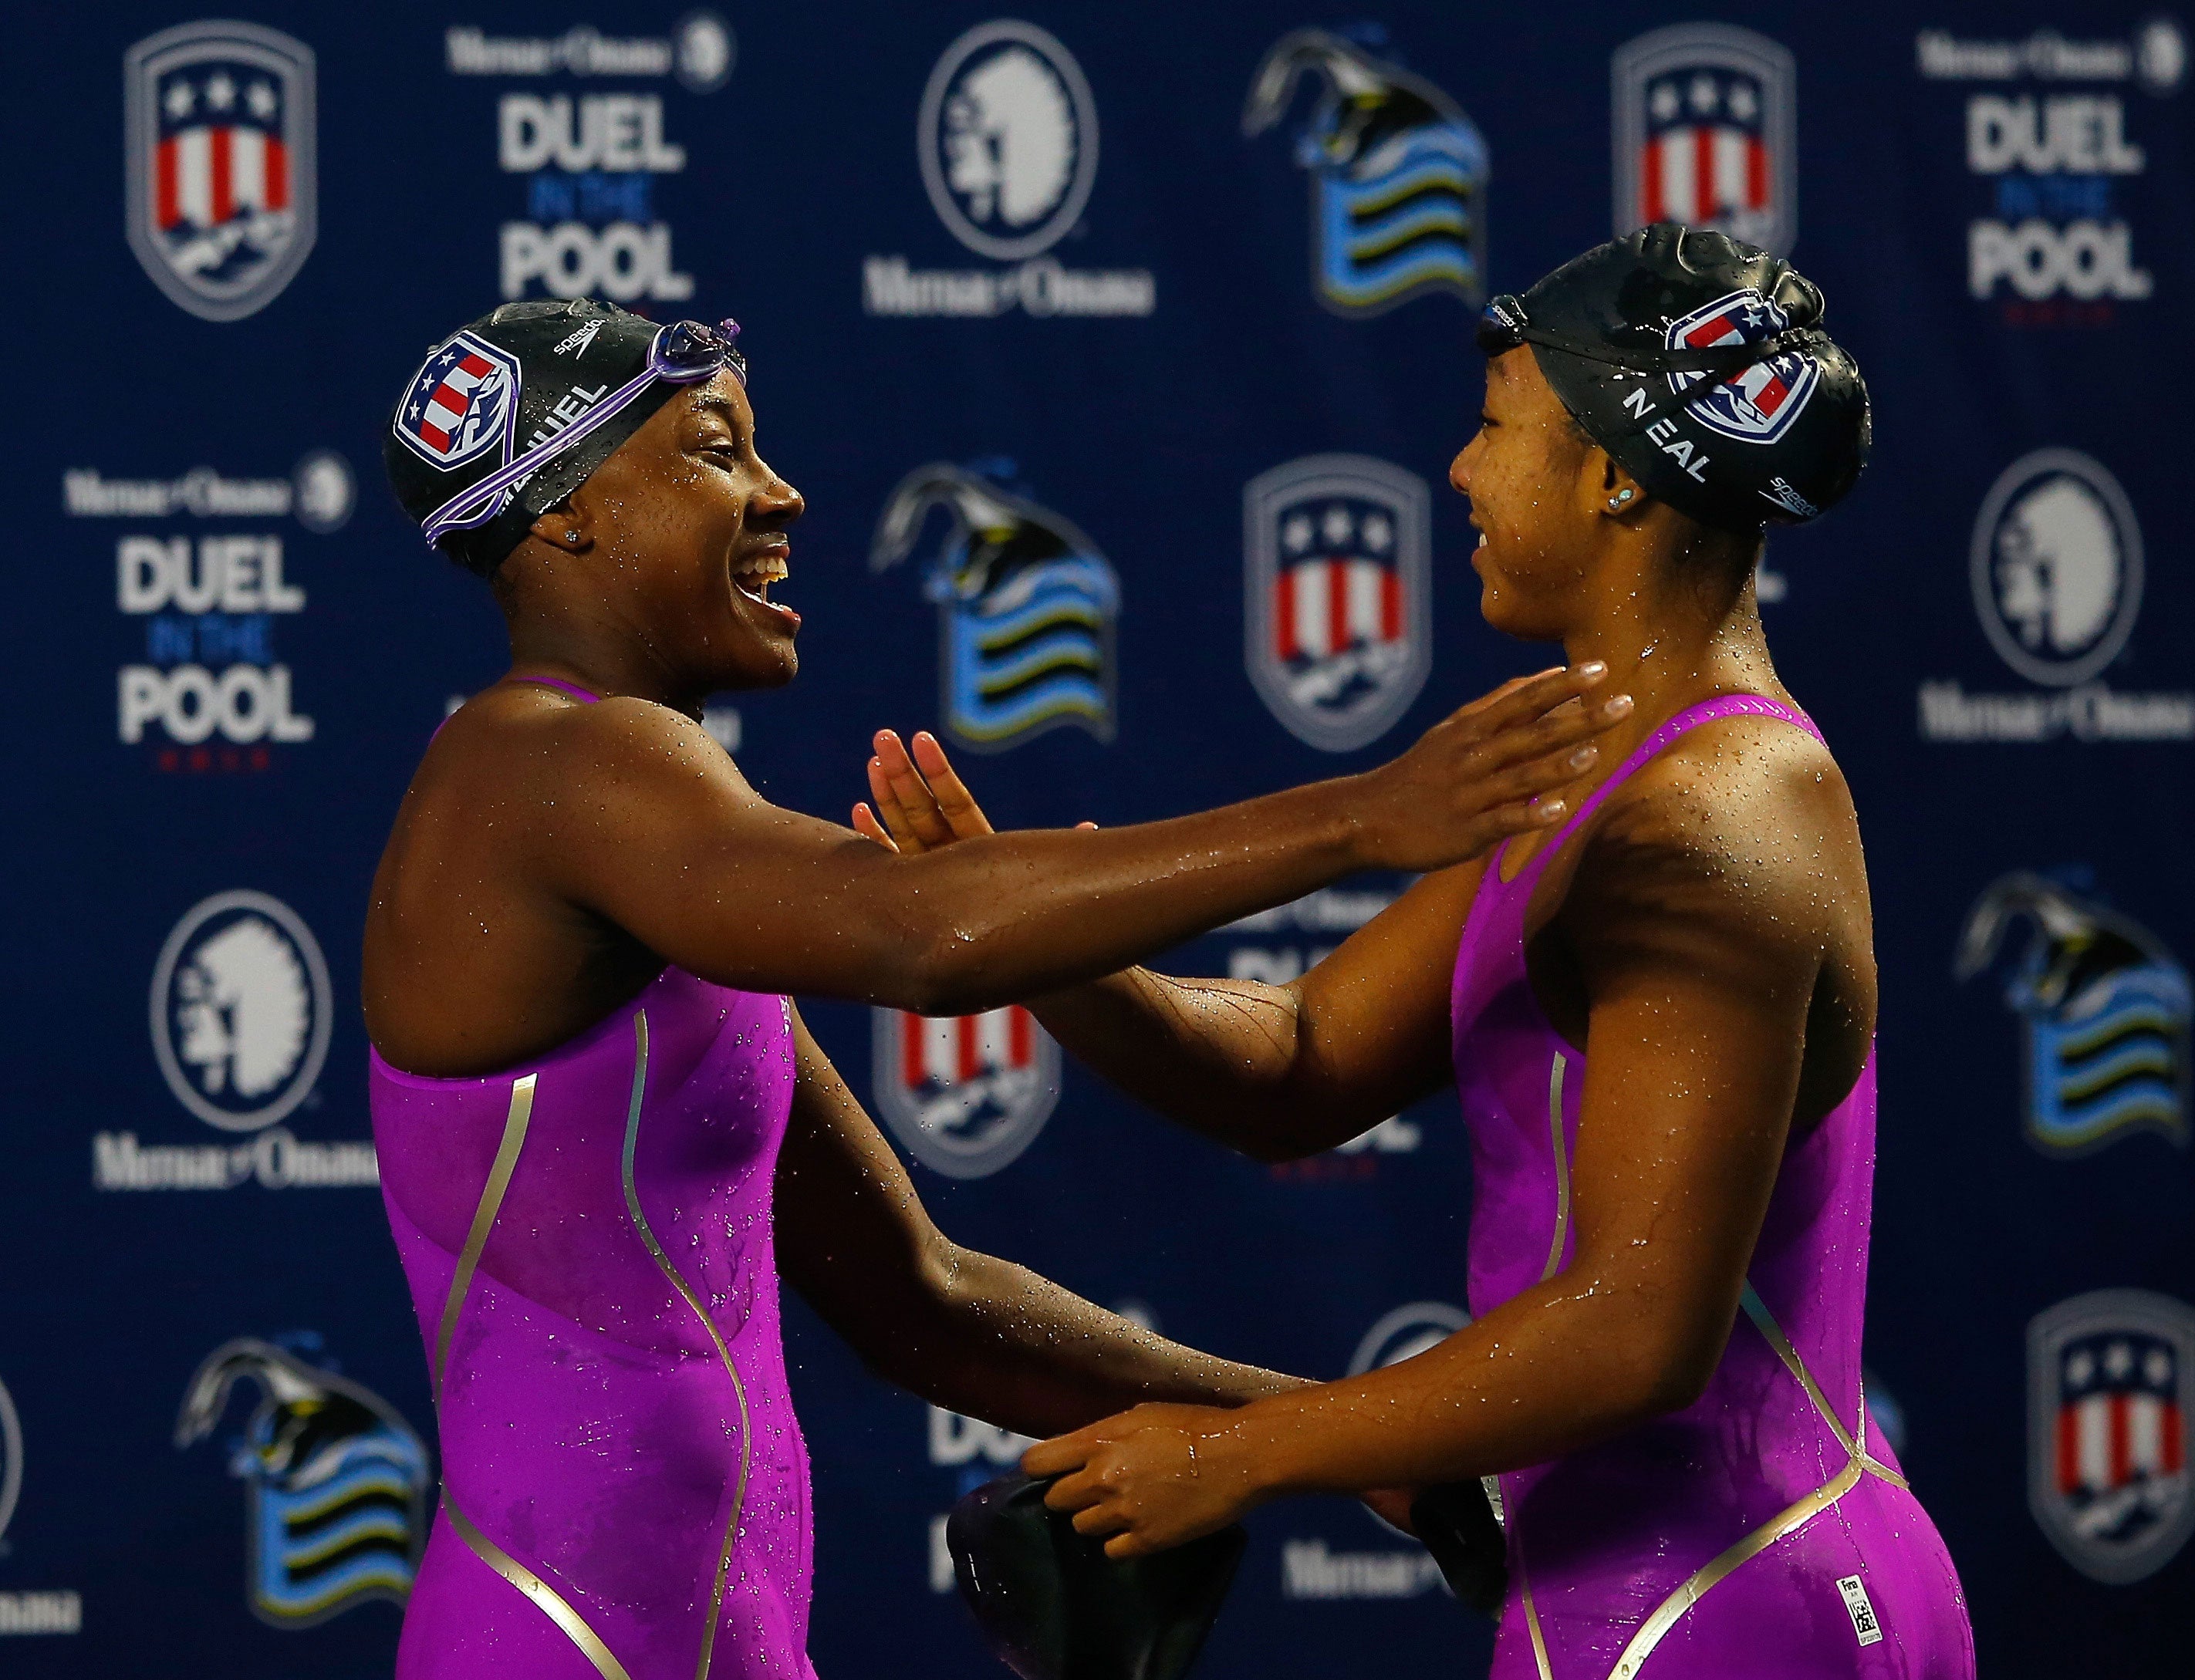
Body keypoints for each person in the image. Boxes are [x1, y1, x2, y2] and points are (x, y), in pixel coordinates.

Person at [365, 298, 1621, 1680]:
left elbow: (925, 1298)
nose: (781, 494)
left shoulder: (641, 856)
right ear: (569, 513)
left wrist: (1308, 1435)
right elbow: (918, 933)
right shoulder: (544, 762)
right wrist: (1363, 817)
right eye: (717, 452)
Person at [859, 228, 1977, 1678]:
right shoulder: (1603, 769)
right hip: (1662, 1589)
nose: (1457, 468)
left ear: (1614, 473)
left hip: (1721, 1604)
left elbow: (1639, 1328)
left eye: (1496, 425)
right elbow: (1302, 1061)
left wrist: (1250, 1449)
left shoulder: (1707, 827)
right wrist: (1041, 943)